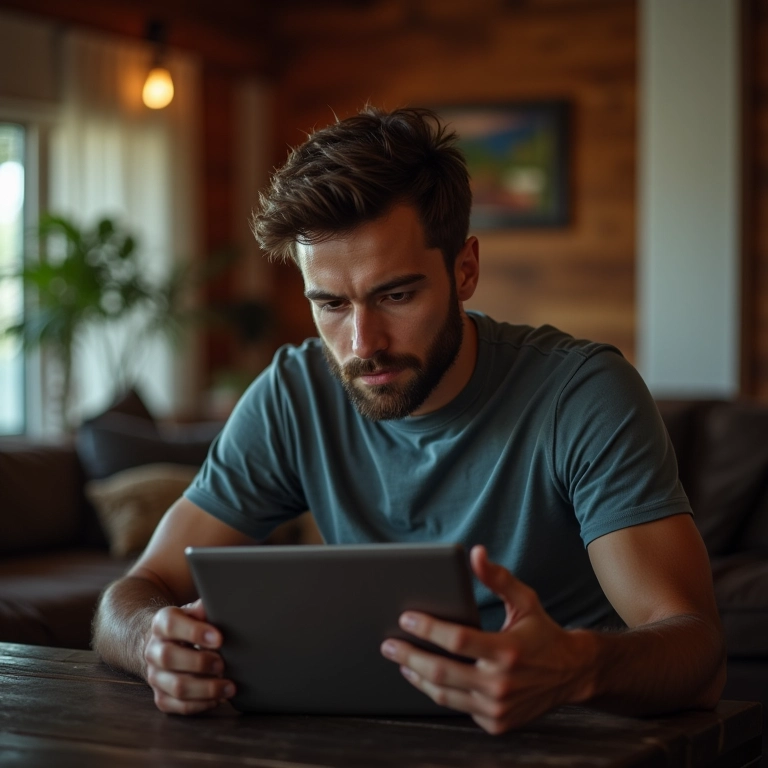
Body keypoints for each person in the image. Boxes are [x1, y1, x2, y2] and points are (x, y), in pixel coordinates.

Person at [93, 106, 725, 734]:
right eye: (332, 305)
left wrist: (575, 668)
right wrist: (153, 642)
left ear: (465, 269)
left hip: (566, 736)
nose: (363, 342)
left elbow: (698, 652)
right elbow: (137, 588)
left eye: (396, 295)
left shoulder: (582, 394)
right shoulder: (294, 394)